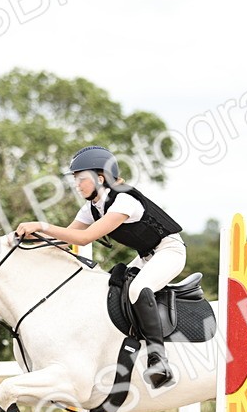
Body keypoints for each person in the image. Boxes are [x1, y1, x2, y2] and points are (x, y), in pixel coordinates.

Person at [14, 146, 185, 389]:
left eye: (80, 178)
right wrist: (23, 239)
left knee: (137, 289)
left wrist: (41, 225)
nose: (76, 185)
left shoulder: (124, 200)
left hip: (169, 251)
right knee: (111, 290)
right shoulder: (92, 207)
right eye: (75, 179)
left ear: (100, 178)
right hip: (146, 257)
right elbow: (65, 238)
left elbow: (84, 239)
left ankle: (158, 360)